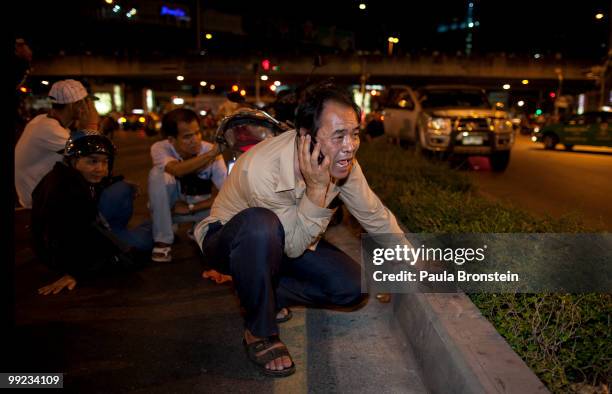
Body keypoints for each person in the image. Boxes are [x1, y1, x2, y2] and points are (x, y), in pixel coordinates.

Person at [193, 83, 403, 377]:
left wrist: (409, 259)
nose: (350, 145)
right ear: (306, 136)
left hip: (285, 239)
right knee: (260, 224)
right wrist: (317, 192)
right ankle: (259, 332)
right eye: (339, 135)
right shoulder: (263, 169)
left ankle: (260, 289)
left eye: (354, 134)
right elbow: (289, 246)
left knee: (353, 287)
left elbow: (374, 214)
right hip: (229, 238)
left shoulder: (343, 162)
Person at [32, 133, 153, 295]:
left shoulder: (62, 175)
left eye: (105, 162)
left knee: (122, 188)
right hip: (68, 253)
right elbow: (71, 236)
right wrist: (76, 272)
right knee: (145, 240)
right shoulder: (68, 191)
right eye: (92, 161)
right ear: (74, 160)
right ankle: (156, 226)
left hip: (79, 238)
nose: (100, 168)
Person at [148, 108, 227, 262]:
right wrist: (211, 155)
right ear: (171, 139)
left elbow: (226, 192)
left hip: (199, 207)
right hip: (171, 208)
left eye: (197, 133)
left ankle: (198, 227)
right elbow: (176, 170)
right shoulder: (160, 148)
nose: (195, 140)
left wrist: (192, 208)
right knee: (156, 174)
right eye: (187, 136)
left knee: (231, 206)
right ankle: (163, 240)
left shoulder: (208, 149)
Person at [15, 79, 99, 208]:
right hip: (38, 204)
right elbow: (93, 155)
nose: (88, 108)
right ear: (73, 105)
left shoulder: (43, 121)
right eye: (85, 103)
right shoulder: (48, 129)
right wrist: (92, 124)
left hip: (43, 196)